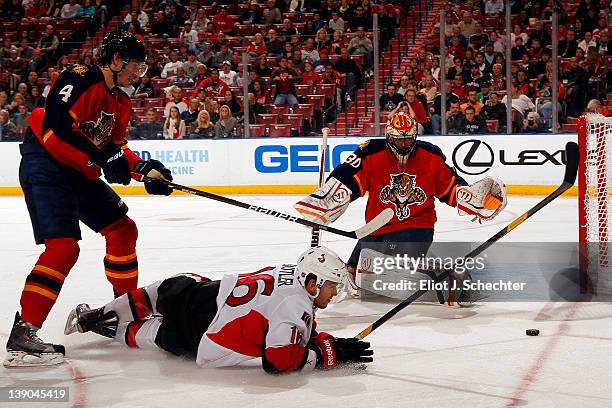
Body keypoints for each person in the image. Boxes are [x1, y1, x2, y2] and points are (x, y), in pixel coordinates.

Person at [4, 30, 174, 368]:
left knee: (124, 231)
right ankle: (24, 333)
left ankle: (123, 310)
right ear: (115, 59)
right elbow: (57, 130)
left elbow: (113, 148)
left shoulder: (121, 101)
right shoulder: (80, 78)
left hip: (79, 171)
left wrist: (143, 169)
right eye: (134, 66)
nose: (137, 74)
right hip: (46, 164)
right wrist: (103, 158)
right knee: (64, 247)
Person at [64, 247, 373, 373]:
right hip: (205, 337)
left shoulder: (290, 270)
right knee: (155, 334)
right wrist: (324, 354)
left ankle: (94, 316)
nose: (336, 292)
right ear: (313, 283)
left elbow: (277, 312)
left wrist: (315, 336)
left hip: (201, 294)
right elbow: (277, 361)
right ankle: (109, 328)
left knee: (165, 289)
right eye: (332, 285)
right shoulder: (297, 307)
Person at [294, 112, 507, 293]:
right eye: (399, 140)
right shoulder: (370, 152)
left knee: (396, 272)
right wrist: (322, 204)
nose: (404, 145)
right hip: (377, 227)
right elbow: (348, 176)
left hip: (416, 225)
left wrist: (472, 199)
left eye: (408, 139)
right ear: (388, 136)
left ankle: (447, 274)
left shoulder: (430, 155)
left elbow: (450, 186)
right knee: (355, 272)